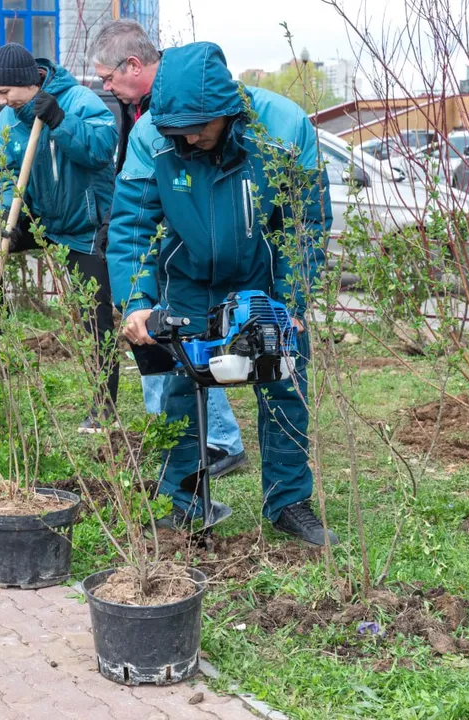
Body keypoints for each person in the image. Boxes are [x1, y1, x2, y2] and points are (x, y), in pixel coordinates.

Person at [107, 42, 337, 545]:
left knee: (284, 385)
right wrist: (137, 300)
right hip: (187, 280)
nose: (188, 137)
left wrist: (291, 300)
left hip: (263, 278)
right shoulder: (152, 134)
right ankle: (183, 502)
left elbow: (306, 224)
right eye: (178, 129)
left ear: (227, 112)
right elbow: (133, 226)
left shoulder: (282, 126)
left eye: (199, 127)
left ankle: (289, 502)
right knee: (180, 389)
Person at [90, 20, 247, 478]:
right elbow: (137, 203)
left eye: (106, 77)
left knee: (183, 346)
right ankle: (178, 439)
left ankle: (216, 441)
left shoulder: (187, 107)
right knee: (156, 339)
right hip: (160, 249)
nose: (105, 86)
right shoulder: (144, 112)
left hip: (186, 257)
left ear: (133, 65)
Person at [0, 43, 120, 433]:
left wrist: (60, 121)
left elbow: (100, 152)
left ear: (27, 83)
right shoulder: (7, 121)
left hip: (84, 224)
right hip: (40, 216)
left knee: (95, 317)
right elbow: (10, 174)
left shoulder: (81, 101)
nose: (0, 101)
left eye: (4, 92)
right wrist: (10, 215)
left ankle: (104, 406)